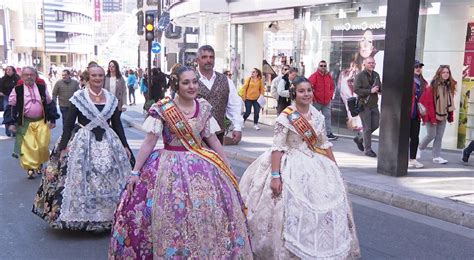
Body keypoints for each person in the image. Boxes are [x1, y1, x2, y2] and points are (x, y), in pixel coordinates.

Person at [108, 64, 252, 259]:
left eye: (194, 82)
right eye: (186, 82)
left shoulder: (203, 108)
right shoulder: (163, 108)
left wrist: (226, 166)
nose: (192, 86)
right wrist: (135, 172)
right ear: (176, 84)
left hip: (202, 168)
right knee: (172, 214)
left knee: (206, 213)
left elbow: (213, 140)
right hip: (167, 167)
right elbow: (149, 142)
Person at [239, 76, 360, 259]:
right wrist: (275, 176)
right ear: (294, 94)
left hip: (315, 163)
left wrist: (335, 169)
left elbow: (324, 144)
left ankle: (319, 245)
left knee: (322, 207)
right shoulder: (286, 116)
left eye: (309, 91)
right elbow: (278, 148)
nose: (306, 94)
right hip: (290, 162)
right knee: (288, 207)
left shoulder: (317, 115)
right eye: (302, 91)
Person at [32, 64, 132, 231]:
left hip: (108, 141)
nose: (98, 78)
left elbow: (117, 124)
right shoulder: (79, 97)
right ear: (88, 77)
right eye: (94, 76)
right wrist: (63, 147)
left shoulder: (111, 98)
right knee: (82, 177)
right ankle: (85, 218)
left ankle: (110, 215)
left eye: (101, 75)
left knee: (109, 178)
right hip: (83, 141)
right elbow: (69, 124)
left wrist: (125, 145)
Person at [2, 66, 59, 178]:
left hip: (41, 122)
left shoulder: (42, 87)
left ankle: (38, 164)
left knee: (42, 146)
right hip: (25, 123)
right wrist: (10, 123)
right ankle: (30, 168)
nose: (29, 77)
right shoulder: (17, 89)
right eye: (26, 75)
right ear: (22, 76)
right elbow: (11, 106)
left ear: (35, 76)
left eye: (31, 75)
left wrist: (52, 119)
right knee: (28, 148)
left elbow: (49, 103)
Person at [196, 45, 243, 144]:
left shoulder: (225, 80)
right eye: (204, 57)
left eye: (211, 57)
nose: (208, 60)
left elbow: (234, 105)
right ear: (197, 60)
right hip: (194, 135)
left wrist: (237, 127)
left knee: (217, 159)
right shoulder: (190, 79)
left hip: (218, 134)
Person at [419, 65, 456, 164]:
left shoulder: (449, 86)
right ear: (439, 73)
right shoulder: (432, 86)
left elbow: (450, 102)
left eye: (447, 72)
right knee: (431, 135)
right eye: (443, 72)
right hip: (431, 115)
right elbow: (426, 103)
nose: (445, 74)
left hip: (443, 115)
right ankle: (419, 148)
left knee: (439, 136)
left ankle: (436, 156)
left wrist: (450, 115)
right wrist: (430, 117)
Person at [353, 57, 381, 157]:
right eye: (369, 63)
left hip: (374, 104)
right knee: (367, 128)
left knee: (376, 125)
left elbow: (379, 87)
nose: (372, 64)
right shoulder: (360, 75)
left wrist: (380, 90)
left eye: (373, 63)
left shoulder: (376, 75)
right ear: (365, 64)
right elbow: (356, 89)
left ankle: (360, 137)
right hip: (363, 105)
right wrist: (370, 91)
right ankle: (368, 149)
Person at [309, 60, 338, 141]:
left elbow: (332, 86)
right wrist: (313, 99)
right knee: (313, 118)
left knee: (327, 117)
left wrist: (330, 96)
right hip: (317, 101)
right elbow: (309, 87)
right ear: (318, 67)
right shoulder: (314, 76)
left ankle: (328, 134)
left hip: (327, 102)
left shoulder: (328, 76)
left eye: (324, 66)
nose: (323, 67)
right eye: (321, 65)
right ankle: (311, 134)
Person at [408, 60, 427, 168]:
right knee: (404, 136)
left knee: (415, 137)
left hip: (417, 113)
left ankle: (413, 159)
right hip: (407, 112)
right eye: (416, 66)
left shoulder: (424, 82)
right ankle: (402, 158)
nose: (418, 68)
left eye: (420, 66)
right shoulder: (408, 80)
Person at [0, 66, 20, 136]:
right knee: (7, 112)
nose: (8, 71)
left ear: (13, 71)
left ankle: (14, 129)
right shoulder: (3, 79)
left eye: (9, 70)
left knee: (15, 113)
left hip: (16, 97)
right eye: (7, 70)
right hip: (6, 97)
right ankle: (7, 128)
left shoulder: (17, 78)